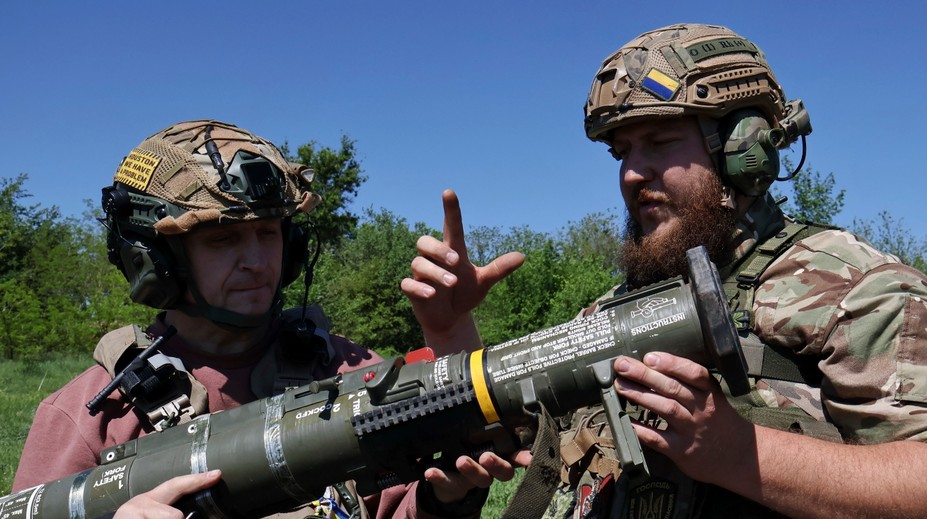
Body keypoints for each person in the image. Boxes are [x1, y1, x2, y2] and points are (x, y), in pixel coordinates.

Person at [401, 24, 927, 518]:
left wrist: (741, 454)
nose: (632, 173)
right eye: (621, 152)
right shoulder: (613, 314)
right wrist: (449, 331)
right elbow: (514, 431)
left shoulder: (856, 289)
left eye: (660, 142)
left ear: (746, 147)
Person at [12, 120, 513, 518]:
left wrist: (448, 335)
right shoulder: (92, 416)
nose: (257, 260)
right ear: (156, 260)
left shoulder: (343, 372)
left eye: (269, 233)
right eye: (223, 240)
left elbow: (401, 505)